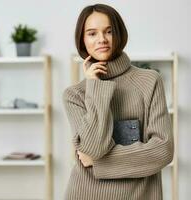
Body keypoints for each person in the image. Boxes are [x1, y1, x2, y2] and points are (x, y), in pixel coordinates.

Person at [63, 4, 174, 200]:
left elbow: (162, 150)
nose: (102, 40)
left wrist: (98, 163)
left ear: (120, 34)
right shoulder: (75, 94)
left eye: (109, 31)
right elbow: (93, 148)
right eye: (92, 33)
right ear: (82, 40)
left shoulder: (149, 81)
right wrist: (94, 87)